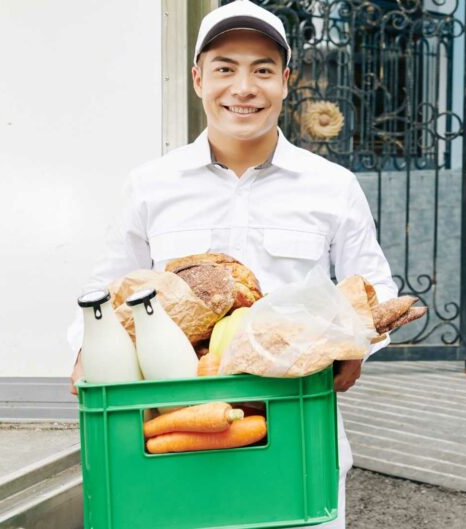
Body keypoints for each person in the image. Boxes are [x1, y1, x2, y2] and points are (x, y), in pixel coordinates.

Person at [66, 1, 397, 527]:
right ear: (198, 78)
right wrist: (87, 351)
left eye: (262, 69)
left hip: (295, 427)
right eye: (225, 68)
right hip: (175, 426)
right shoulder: (152, 185)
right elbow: (104, 290)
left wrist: (356, 346)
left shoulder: (332, 187)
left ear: (287, 81)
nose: (243, 88)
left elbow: (373, 289)